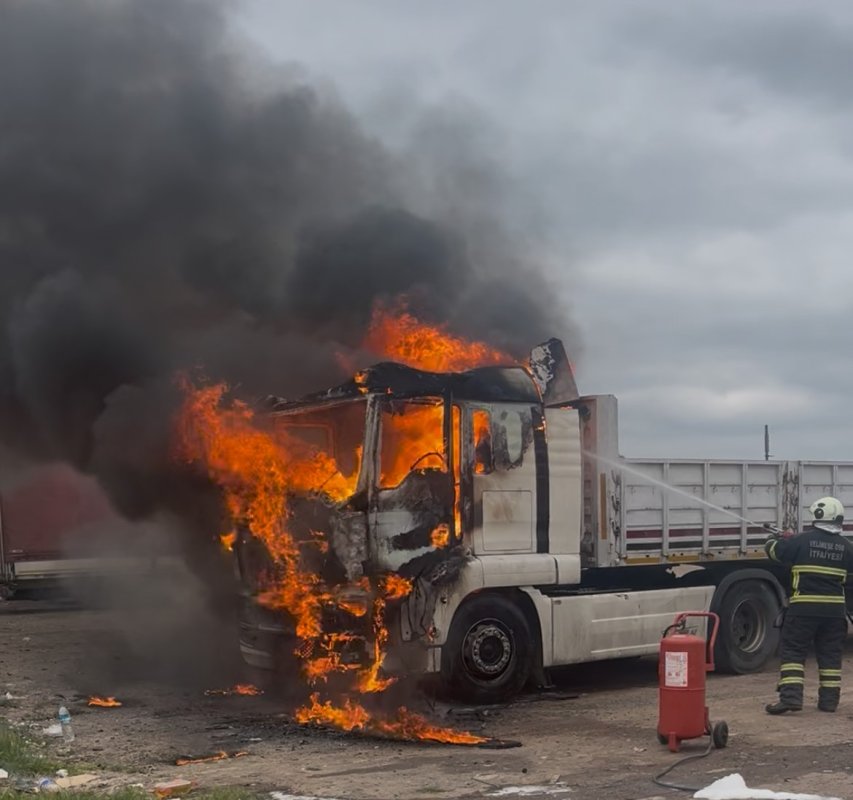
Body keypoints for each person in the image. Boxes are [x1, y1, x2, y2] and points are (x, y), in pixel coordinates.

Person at [764, 496, 853, 714]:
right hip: (834, 613)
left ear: (817, 515)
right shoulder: (847, 547)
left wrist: (776, 538)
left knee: (794, 653)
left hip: (803, 609)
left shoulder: (801, 541)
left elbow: (773, 551)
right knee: (831, 656)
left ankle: (791, 699)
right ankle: (829, 702)